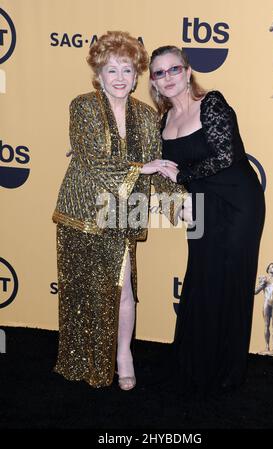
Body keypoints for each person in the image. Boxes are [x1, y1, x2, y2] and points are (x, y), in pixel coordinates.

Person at [52, 32, 187, 391]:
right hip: (81, 214)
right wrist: (139, 168)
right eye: (111, 70)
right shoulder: (82, 106)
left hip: (120, 217)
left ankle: (123, 355)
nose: (119, 78)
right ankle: (79, 358)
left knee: (123, 290)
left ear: (137, 74)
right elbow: (91, 158)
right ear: (98, 73)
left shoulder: (145, 114)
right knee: (82, 293)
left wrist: (183, 202)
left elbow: (158, 168)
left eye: (126, 70)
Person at [150, 45, 266, 396]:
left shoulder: (211, 102)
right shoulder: (162, 121)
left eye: (173, 69)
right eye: (159, 73)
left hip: (237, 203)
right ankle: (194, 362)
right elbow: (168, 175)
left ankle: (226, 371)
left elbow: (226, 156)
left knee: (231, 280)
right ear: (154, 83)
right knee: (201, 277)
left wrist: (181, 173)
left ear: (187, 72)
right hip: (200, 206)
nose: (167, 77)